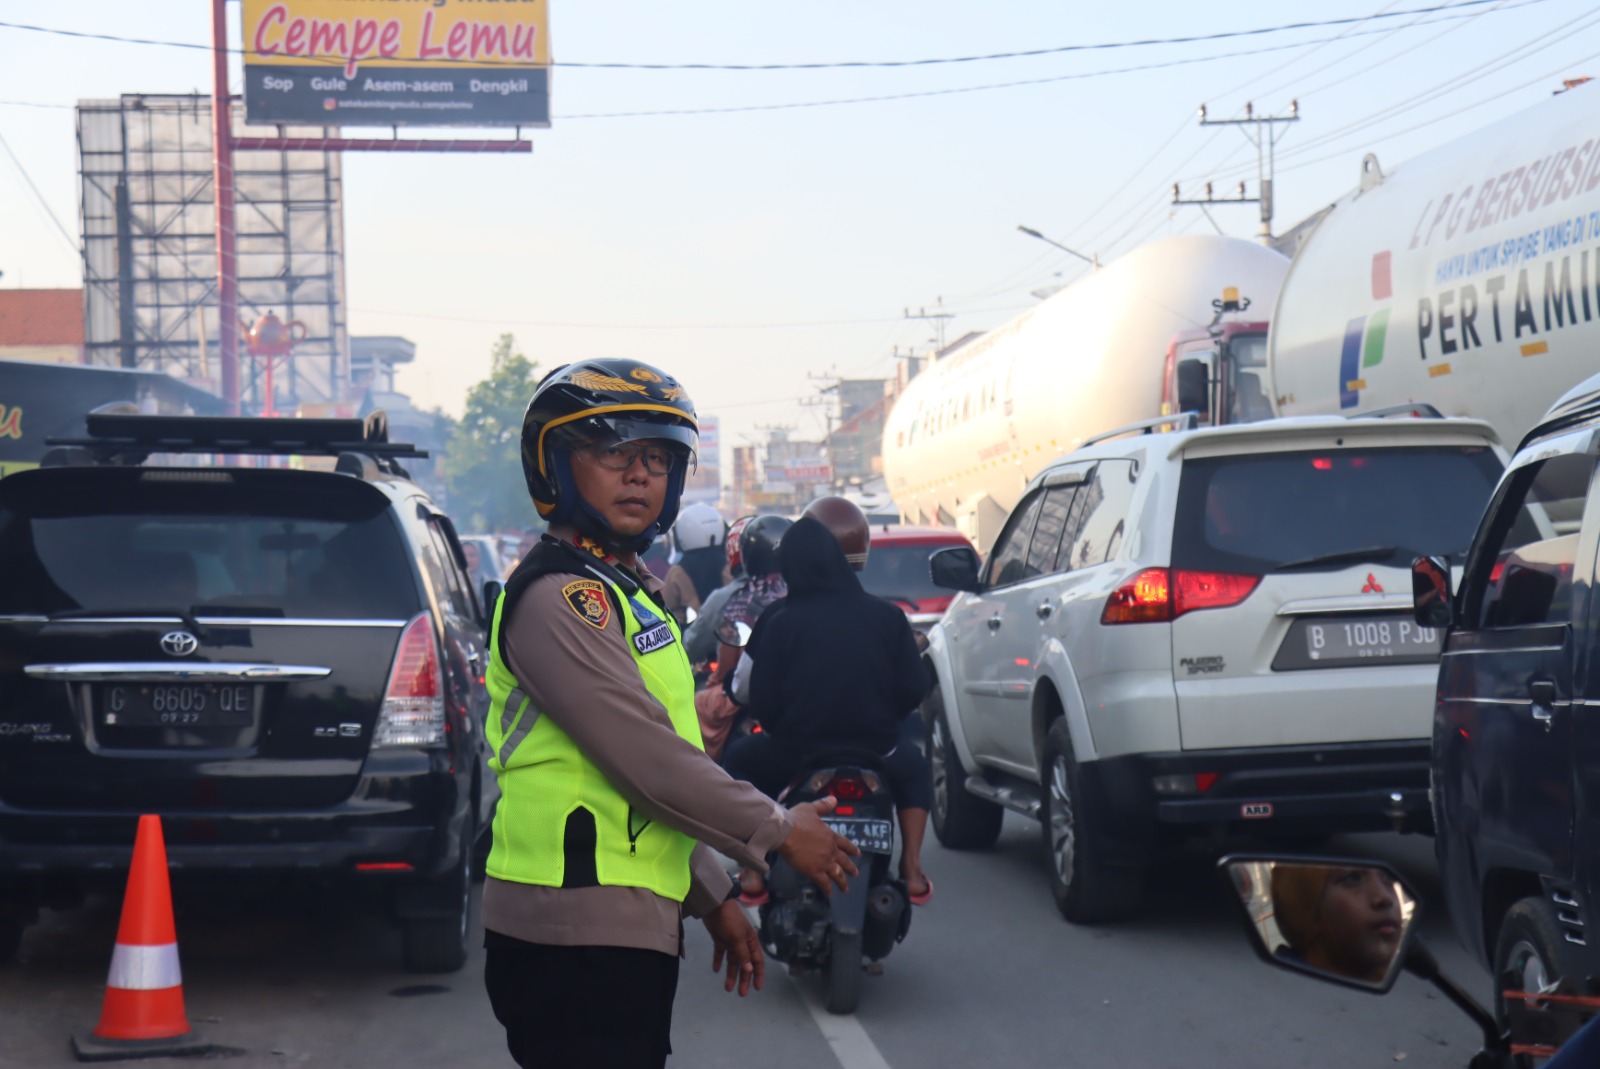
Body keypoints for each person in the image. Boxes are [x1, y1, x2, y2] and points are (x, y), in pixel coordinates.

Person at [481, 358, 860, 1069]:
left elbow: (647, 778)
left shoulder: (628, 589)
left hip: (617, 924)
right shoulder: (561, 598)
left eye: (656, 457)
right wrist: (777, 830)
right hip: (569, 931)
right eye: (611, 451)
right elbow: (648, 762)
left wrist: (712, 892)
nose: (638, 474)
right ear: (556, 467)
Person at [723, 498, 935, 906]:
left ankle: (751, 871)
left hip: (795, 752)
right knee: (915, 771)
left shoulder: (776, 620)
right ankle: (911, 870)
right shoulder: (887, 617)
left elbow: (752, 694)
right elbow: (914, 687)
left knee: (740, 762)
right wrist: (884, 713)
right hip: (878, 749)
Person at [1269, 863, 1402, 984]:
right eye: (1352, 878)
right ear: (1303, 903)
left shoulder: (1407, 980)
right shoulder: (1276, 995)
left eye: (1388, 877)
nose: (1385, 897)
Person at [662, 502, 725, 628]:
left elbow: (666, 614)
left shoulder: (677, 573)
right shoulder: (730, 566)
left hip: (692, 641)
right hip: (730, 638)